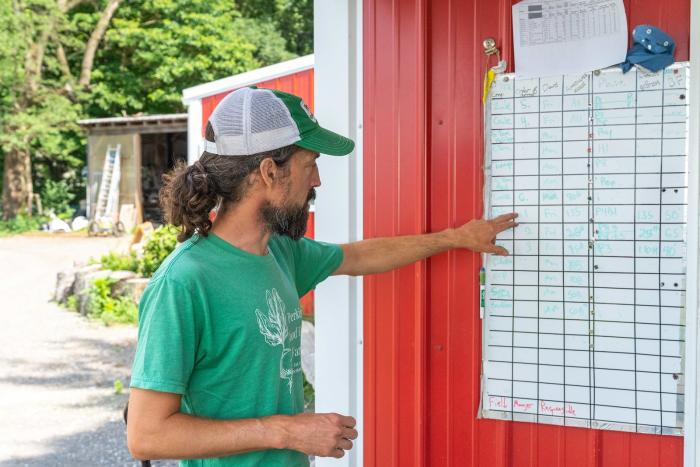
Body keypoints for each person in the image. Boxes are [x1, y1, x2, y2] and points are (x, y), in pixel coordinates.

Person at [126, 86, 518, 466]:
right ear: (268, 172)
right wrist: (285, 432)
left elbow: (359, 255)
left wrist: (455, 238)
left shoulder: (279, 251)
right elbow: (147, 435)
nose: (317, 181)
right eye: (309, 163)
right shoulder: (183, 282)